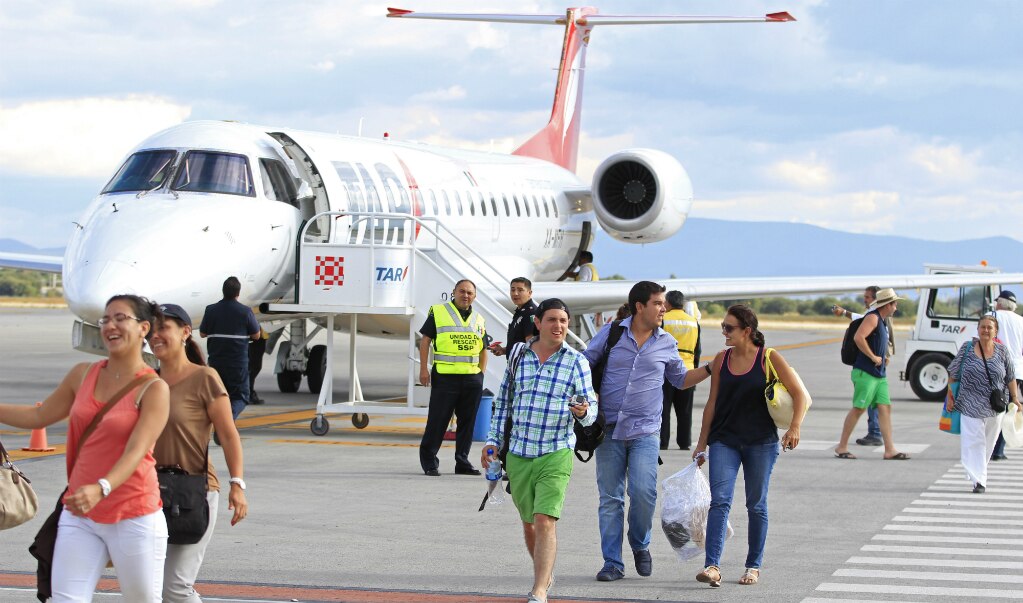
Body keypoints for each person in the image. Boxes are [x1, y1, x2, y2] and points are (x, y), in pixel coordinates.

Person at [0, 294, 171, 601]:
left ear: (144, 328)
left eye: (121, 318)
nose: (111, 326)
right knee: (66, 599)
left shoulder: (154, 388)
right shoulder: (83, 374)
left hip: (134, 513)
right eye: (106, 319)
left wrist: (102, 487)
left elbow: (136, 451)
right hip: (80, 513)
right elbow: (39, 415)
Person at [583, 281, 712, 582]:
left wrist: (709, 368)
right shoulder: (613, 333)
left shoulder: (666, 342)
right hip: (609, 429)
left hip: (645, 431)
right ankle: (612, 562)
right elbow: (585, 363)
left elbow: (679, 380)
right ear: (640, 306)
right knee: (610, 499)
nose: (663, 308)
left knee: (643, 493)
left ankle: (640, 545)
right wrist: (586, 396)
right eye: (657, 303)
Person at [482, 298, 597, 603]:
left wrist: (583, 412)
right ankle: (544, 574)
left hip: (556, 451)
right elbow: (504, 401)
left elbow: (592, 408)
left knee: (545, 519)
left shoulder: (576, 361)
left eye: (563, 320)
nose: (559, 326)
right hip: (519, 451)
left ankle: (539, 590)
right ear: (538, 323)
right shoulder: (519, 354)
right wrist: (492, 441)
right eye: (552, 320)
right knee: (530, 523)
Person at [692, 304, 803, 588]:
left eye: (729, 328)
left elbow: (799, 395)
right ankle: (712, 566)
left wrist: (794, 427)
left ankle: (753, 566)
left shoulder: (769, 358)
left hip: (760, 443)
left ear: (747, 331)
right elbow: (712, 403)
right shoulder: (721, 359)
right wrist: (701, 443)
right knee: (719, 502)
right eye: (723, 327)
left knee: (756, 505)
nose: (724, 333)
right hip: (724, 440)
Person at [151, 303, 249, 602]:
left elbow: (228, 435)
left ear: (185, 332)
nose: (156, 335)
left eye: (164, 327)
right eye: (152, 329)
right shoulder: (146, 380)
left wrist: (237, 483)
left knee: (175, 588)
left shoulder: (205, 378)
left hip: (193, 492)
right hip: (149, 492)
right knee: (148, 585)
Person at [418, 279, 489, 476]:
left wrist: (480, 375)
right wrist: (424, 369)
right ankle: (429, 461)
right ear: (454, 292)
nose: (465, 295)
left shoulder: (478, 319)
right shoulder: (439, 312)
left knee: (467, 423)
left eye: (469, 293)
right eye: (462, 291)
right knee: (437, 421)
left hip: (471, 379)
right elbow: (425, 341)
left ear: (474, 296)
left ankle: (462, 461)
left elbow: (484, 350)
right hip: (445, 377)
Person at [946, 314, 1021, 493]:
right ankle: (979, 480)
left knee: (988, 442)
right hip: (969, 402)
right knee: (974, 441)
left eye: (990, 327)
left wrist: (1015, 397)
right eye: (983, 327)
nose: (986, 330)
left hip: (995, 405)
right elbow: (953, 373)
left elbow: (1010, 377)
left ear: (996, 331)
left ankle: (978, 471)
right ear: (978, 329)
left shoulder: (1002, 351)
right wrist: (950, 396)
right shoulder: (967, 348)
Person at [834, 288, 909, 461]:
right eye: (894, 303)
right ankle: (842, 446)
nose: (896, 307)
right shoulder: (873, 318)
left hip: (879, 374)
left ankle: (889, 449)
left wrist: (884, 357)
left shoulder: (882, 320)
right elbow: (859, 338)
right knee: (859, 408)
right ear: (887, 305)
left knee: (884, 408)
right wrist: (873, 356)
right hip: (865, 372)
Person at [199, 277, 261, 420]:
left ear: (223, 291)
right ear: (238, 293)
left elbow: (202, 333)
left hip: (216, 362)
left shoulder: (211, 310)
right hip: (237, 364)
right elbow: (256, 335)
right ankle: (226, 422)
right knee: (241, 396)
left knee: (217, 395)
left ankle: (209, 425)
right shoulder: (245, 311)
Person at [661, 290, 701, 450]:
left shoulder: (664, 320)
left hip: (666, 371)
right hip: (688, 370)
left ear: (668, 303)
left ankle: (663, 442)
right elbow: (697, 350)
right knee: (685, 411)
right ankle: (684, 442)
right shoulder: (693, 322)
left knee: (664, 408)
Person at [990, 290, 1023, 461]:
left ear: (1000, 303)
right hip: (1015, 371)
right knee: (1009, 408)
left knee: (990, 408)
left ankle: (987, 447)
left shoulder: (990, 316)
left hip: (992, 368)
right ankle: (999, 450)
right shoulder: (1021, 321)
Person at [490, 277, 537, 357]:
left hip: (523, 366)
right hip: (515, 364)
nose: (515, 293)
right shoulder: (520, 311)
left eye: (520, 290)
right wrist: (503, 350)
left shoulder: (530, 313)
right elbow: (520, 342)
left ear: (529, 293)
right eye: (513, 290)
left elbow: (531, 344)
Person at [248, 327, 269, 404]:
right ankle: (248, 393)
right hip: (255, 336)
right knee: (253, 366)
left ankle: (248, 392)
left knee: (252, 366)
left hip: (255, 335)